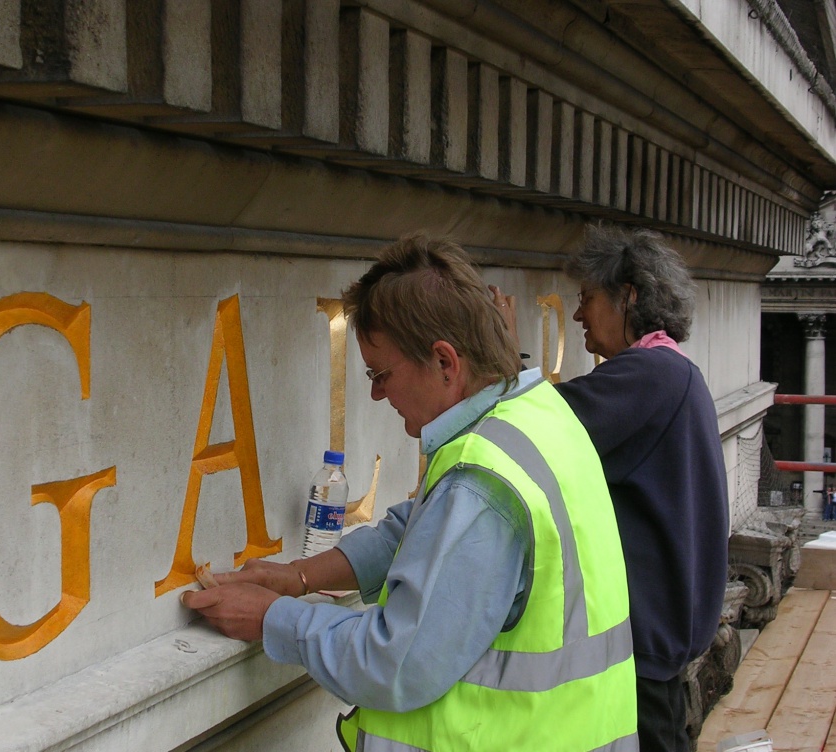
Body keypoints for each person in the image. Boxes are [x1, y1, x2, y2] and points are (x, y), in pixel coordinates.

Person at [183, 233, 639, 751]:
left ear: (445, 363)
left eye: (382, 373)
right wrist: (299, 576)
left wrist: (269, 618)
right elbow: (424, 527)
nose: (376, 393)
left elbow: (396, 661)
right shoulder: (533, 414)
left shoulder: (483, 481)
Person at [494, 224, 729, 752]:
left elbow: (544, 427)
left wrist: (502, 360)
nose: (577, 315)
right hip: (659, 646)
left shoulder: (650, 376)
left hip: (642, 655)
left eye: (587, 299)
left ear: (629, 296)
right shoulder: (669, 373)